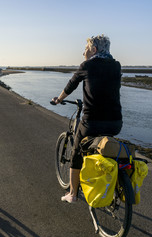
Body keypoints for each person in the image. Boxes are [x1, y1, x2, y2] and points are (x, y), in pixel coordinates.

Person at [51, 34, 122, 203]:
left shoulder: (87, 65)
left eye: (86, 49)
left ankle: (73, 194)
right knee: (106, 148)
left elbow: (71, 84)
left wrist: (58, 99)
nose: (83, 52)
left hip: (92, 122)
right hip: (116, 122)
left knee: (76, 152)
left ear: (94, 50)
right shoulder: (116, 66)